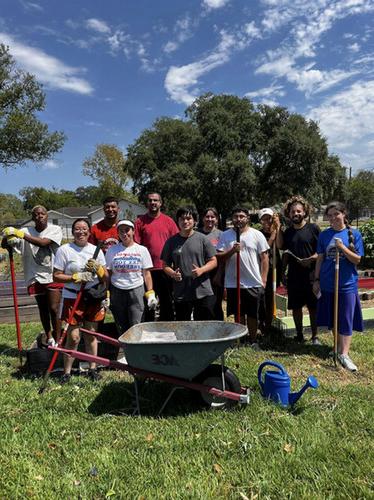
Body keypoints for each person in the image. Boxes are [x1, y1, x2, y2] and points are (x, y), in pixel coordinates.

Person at [53, 218, 108, 383]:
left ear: (89, 231)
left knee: (91, 335)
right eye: (77, 229)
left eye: (84, 228)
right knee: (74, 337)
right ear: (72, 232)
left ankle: (93, 369)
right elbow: (56, 275)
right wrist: (75, 277)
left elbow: (106, 277)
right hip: (72, 296)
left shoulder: (95, 250)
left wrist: (98, 268)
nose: (81, 231)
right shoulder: (64, 250)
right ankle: (67, 372)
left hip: (92, 296)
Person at [313, 202, 364, 371]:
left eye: (336, 214)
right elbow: (320, 259)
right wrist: (316, 279)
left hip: (347, 284)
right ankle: (336, 348)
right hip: (328, 283)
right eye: (330, 215)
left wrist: (342, 247)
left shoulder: (354, 234)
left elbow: (357, 259)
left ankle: (344, 354)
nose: (333, 218)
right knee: (333, 318)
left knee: (346, 319)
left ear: (344, 214)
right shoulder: (324, 235)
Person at [2, 205, 63, 346]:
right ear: (32, 217)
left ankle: (58, 337)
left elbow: (43, 243)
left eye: (42, 213)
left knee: (54, 308)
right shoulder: (25, 230)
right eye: (36, 214)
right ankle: (49, 337)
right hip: (34, 275)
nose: (39, 216)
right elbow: (5, 245)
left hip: (52, 274)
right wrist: (7, 237)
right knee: (42, 308)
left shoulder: (54, 229)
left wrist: (20, 234)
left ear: (47, 216)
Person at [217, 207, 269, 348]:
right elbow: (219, 257)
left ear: (247, 218)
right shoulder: (225, 235)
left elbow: (264, 258)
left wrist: (263, 280)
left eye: (242, 216)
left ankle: (253, 340)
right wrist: (232, 250)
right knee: (238, 313)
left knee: (252, 313)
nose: (238, 219)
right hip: (233, 282)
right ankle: (241, 339)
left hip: (253, 281)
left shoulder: (257, 235)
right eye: (235, 216)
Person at [277, 196, 320, 344]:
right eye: (292, 211)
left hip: (311, 274)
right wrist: (282, 272)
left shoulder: (313, 229)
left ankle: (315, 336)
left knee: (313, 307)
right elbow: (283, 251)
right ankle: (299, 334)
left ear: (305, 212)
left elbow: (321, 252)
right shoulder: (288, 233)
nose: (296, 214)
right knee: (296, 307)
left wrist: (311, 259)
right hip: (294, 275)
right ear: (288, 214)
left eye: (298, 211)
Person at [161, 207, 217, 321]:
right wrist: (172, 274)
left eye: (188, 218)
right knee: (183, 325)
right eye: (182, 219)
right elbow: (165, 265)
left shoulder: (203, 239)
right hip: (181, 291)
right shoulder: (171, 242)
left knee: (203, 324)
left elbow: (213, 261)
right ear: (177, 221)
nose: (185, 222)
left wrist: (201, 270)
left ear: (195, 221)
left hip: (202, 290)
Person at [105, 220, 157, 338]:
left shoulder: (142, 250)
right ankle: (125, 352)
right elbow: (108, 273)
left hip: (136, 289)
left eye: (127, 230)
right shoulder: (112, 250)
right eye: (121, 231)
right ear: (118, 233)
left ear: (133, 231)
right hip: (117, 290)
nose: (124, 234)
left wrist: (150, 293)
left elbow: (147, 273)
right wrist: (107, 292)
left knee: (137, 323)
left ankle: (137, 352)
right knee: (121, 325)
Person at [134, 192, 178, 321]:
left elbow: (176, 242)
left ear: (160, 203)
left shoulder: (168, 221)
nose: (153, 203)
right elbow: (136, 244)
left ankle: (167, 329)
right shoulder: (140, 222)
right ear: (146, 203)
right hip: (147, 271)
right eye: (150, 200)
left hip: (165, 269)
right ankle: (148, 331)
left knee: (167, 302)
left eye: (155, 200)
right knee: (148, 303)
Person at [258, 208, 282, 335]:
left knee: (271, 296)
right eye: (265, 219)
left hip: (275, 269)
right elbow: (263, 250)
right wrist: (271, 238)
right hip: (263, 270)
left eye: (270, 218)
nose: (267, 221)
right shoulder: (258, 234)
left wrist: (277, 230)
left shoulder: (277, 232)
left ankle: (269, 324)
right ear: (261, 220)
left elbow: (280, 246)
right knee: (262, 297)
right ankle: (261, 322)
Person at [198, 207, 224, 320]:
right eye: (207, 216)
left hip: (216, 274)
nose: (209, 219)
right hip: (200, 274)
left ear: (217, 219)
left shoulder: (221, 235)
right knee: (201, 305)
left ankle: (219, 330)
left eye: (212, 217)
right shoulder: (196, 233)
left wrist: (219, 275)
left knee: (215, 305)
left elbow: (223, 258)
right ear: (202, 219)